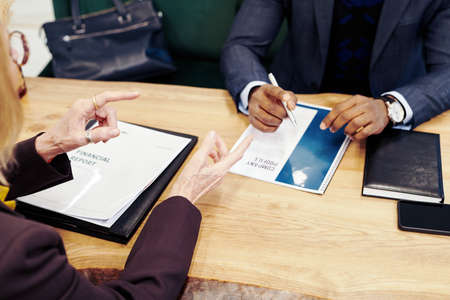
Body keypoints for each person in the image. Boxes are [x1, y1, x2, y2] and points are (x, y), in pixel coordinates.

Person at [0, 10, 252, 300]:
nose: (20, 63)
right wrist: (183, 196)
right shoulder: (20, 252)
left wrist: (50, 144)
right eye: (10, 51)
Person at [221, 0, 450, 140]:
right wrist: (254, 90)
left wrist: (391, 107)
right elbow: (242, 45)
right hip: (295, 112)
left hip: (385, 124)